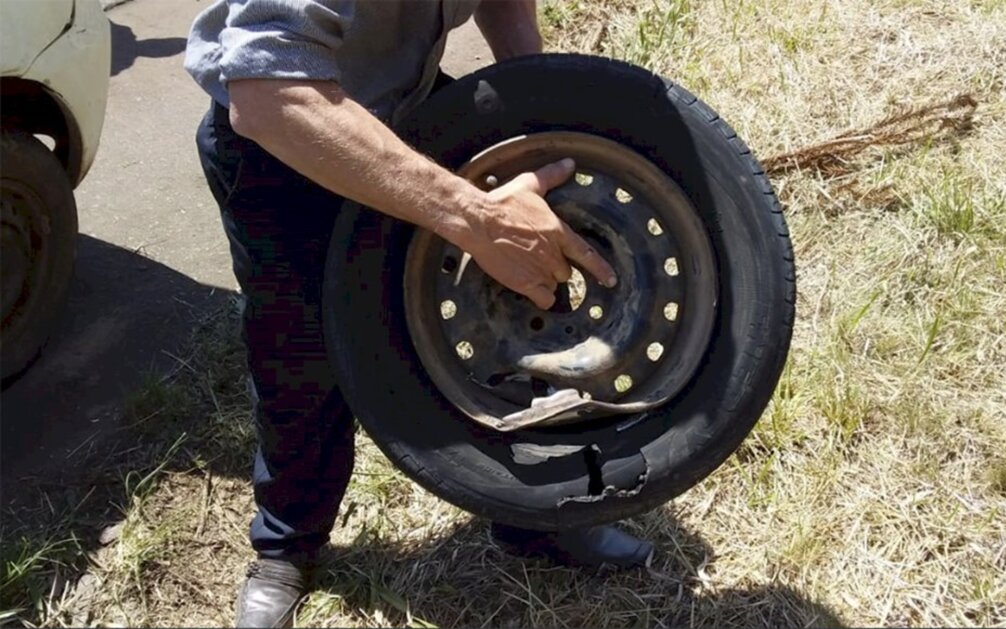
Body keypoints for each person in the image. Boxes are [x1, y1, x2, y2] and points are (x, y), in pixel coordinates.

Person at [185, 1, 654, 626]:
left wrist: (544, 104)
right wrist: (477, 219)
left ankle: (531, 514)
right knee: (300, 358)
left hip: (410, 107)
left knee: (514, 305)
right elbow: (267, 93)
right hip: (289, 140)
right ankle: (287, 544)